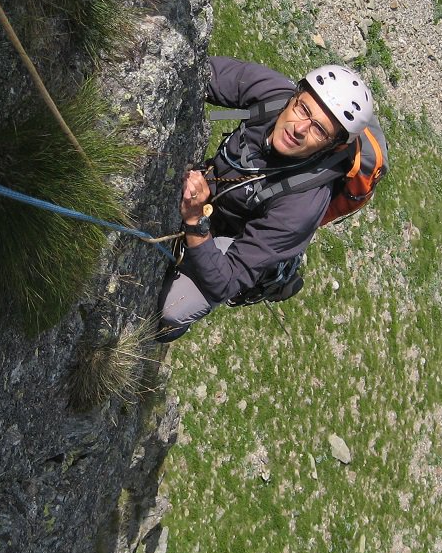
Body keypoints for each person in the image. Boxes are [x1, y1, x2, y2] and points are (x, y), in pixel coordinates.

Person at [156, 56, 375, 341]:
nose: (299, 129)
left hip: (234, 240)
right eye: (303, 108)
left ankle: (154, 341)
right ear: (294, 96)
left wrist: (195, 222)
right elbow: (196, 67)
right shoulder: (272, 94)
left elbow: (227, 281)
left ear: (333, 146)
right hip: (216, 198)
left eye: (319, 130)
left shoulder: (302, 205)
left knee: (171, 312)